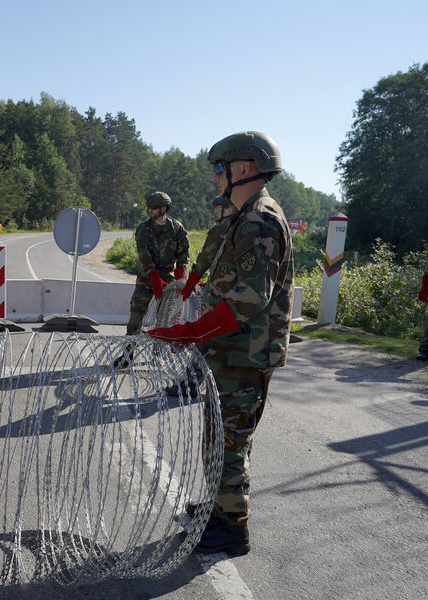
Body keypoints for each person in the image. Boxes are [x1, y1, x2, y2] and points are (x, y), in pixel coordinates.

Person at [148, 131, 293, 556]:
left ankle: (231, 528)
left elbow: (249, 300)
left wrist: (188, 332)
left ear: (242, 169)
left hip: (244, 353)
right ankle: (218, 508)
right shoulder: (244, 216)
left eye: (218, 169)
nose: (214, 177)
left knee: (230, 441)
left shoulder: (258, 220)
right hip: (232, 351)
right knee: (219, 437)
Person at [125, 191, 190, 336]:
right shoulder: (143, 229)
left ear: (164, 208)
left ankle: (158, 354)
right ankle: (128, 355)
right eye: (149, 207)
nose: (150, 210)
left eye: (153, 207)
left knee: (164, 321)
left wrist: (180, 278)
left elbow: (183, 254)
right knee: (135, 317)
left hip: (168, 281)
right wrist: (154, 279)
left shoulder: (177, 228)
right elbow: (144, 255)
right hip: (146, 278)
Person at [180, 195, 237, 301]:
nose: (215, 212)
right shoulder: (245, 226)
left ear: (229, 210)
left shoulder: (219, 230)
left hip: (221, 291)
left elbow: (203, 261)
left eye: (218, 209)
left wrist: (190, 285)